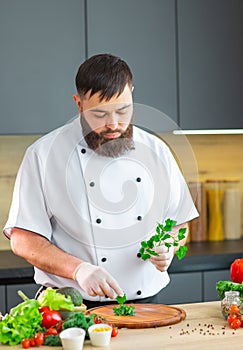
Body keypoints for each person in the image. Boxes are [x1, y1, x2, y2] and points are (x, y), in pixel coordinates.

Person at [3, 53, 198, 309]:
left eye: (123, 110)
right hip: (69, 307)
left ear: (132, 95)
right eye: (100, 114)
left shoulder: (157, 150)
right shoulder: (43, 155)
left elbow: (179, 223)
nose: (114, 124)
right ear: (79, 104)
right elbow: (23, 239)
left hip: (147, 306)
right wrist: (78, 270)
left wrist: (169, 246)